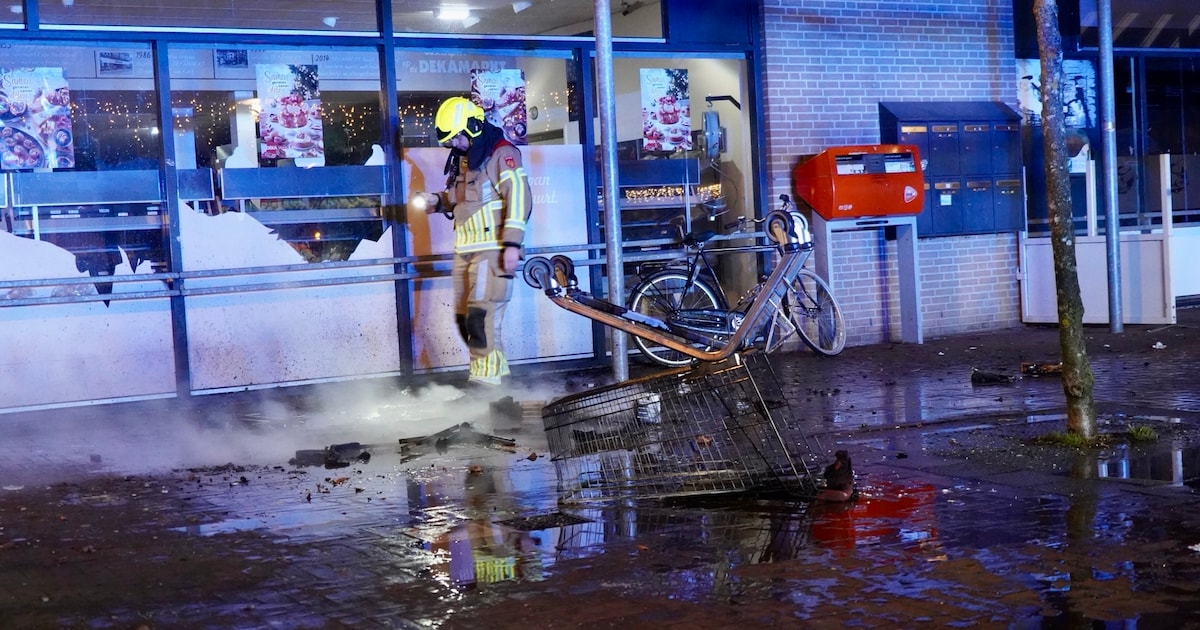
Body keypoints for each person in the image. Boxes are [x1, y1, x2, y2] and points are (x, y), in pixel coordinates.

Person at [419, 96, 533, 388]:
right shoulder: (465, 159)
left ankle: (485, 386)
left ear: (472, 126)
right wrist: (438, 201)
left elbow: (519, 197)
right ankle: (500, 384)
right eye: (451, 140)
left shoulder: (501, 154)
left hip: (491, 251)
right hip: (465, 250)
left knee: (480, 318)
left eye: (457, 136)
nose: (455, 144)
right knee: (464, 319)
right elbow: (462, 201)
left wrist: (512, 244)